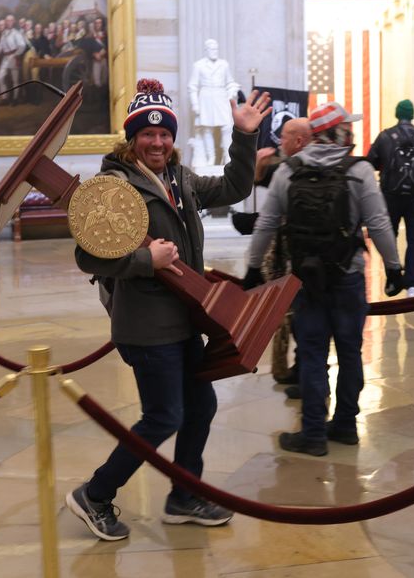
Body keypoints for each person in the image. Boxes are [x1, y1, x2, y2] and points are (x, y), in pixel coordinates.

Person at [68, 78, 272, 541]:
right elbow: (86, 256)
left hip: (184, 318)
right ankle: (95, 495)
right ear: (132, 138)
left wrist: (244, 136)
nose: (157, 141)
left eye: (164, 134)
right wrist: (145, 260)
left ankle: (184, 496)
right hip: (145, 323)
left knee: (200, 404)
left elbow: (236, 186)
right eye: (147, 134)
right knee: (164, 415)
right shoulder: (113, 185)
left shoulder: (181, 179)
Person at [242, 101, 403, 457]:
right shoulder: (359, 171)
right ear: (340, 132)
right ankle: (345, 425)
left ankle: (313, 432)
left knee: (313, 353)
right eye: (349, 126)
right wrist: (394, 268)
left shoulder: (289, 171)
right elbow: (378, 223)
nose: (353, 130)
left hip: (305, 278)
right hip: (347, 275)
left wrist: (253, 267)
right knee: (349, 352)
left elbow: (267, 222)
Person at [253, 117, 313, 386]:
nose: (280, 140)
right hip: (291, 255)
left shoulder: (295, 168)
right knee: (292, 314)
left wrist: (253, 264)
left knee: (297, 316)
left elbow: (268, 219)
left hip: (296, 258)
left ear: (299, 140)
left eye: (286, 136)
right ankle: (292, 369)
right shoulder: (284, 167)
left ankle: (301, 372)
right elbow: (259, 182)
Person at [367, 99, 414, 298]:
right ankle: (412, 286)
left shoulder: (384, 136)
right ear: (412, 115)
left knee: (389, 238)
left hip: (390, 196)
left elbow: (370, 163)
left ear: (397, 114)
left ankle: (394, 279)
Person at [188, 39, 240, 166]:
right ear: (206, 50)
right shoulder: (198, 65)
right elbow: (192, 86)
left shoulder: (224, 64)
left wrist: (232, 90)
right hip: (205, 98)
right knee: (207, 129)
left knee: (227, 127)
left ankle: (228, 156)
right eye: (212, 49)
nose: (214, 52)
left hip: (221, 96)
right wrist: (195, 104)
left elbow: (230, 82)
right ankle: (211, 157)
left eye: (216, 49)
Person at [0, 14, 27, 105]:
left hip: (14, 58)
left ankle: (15, 99)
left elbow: (22, 46)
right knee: (0, 78)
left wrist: (15, 54)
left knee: (15, 80)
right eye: (7, 20)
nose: (9, 22)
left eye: (11, 20)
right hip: (5, 59)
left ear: (14, 22)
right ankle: (5, 98)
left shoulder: (16, 33)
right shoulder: (3, 34)